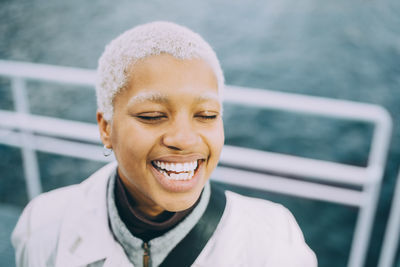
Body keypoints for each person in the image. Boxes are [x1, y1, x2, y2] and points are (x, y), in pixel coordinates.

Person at [11, 21, 317, 267]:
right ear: (106, 128)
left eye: (206, 115)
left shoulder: (273, 244)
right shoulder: (43, 227)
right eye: (153, 115)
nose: (183, 139)